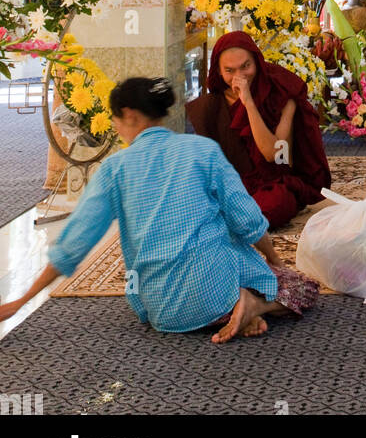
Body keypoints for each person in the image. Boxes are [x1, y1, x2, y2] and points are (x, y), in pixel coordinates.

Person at [0, 78, 318, 342]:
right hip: (218, 292)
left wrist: (20, 302)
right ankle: (252, 306)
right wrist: (276, 264)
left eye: (114, 118)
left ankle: (242, 310)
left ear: (128, 115)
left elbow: (73, 244)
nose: (115, 125)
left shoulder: (114, 169)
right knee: (300, 287)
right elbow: (246, 220)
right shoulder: (202, 150)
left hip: (161, 309)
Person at [187, 32, 331, 228]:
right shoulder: (212, 106)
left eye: (246, 66)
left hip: (273, 182)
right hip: (233, 186)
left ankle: (234, 220)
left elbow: (275, 155)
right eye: (230, 70)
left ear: (257, 61)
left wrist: (248, 103)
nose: (239, 77)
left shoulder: (281, 93)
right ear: (219, 72)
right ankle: (236, 219)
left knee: (275, 205)